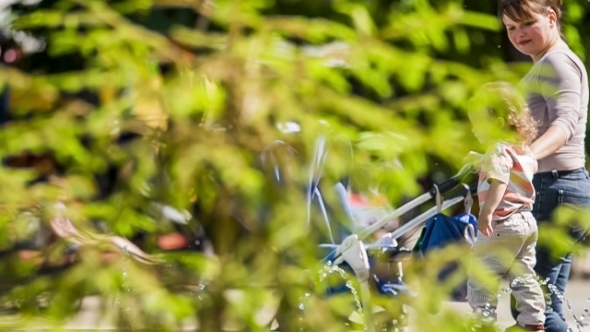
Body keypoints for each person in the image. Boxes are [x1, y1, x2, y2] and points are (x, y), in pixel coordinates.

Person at [498, 1, 590, 331]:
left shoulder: (557, 63)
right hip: (562, 187)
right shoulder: (547, 63)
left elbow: (564, 125)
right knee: (546, 299)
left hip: (556, 189)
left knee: (532, 303)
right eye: (511, 28)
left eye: (526, 23)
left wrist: (523, 159)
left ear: (551, 18)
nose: (518, 34)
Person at [466, 82, 545, 332]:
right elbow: (511, 173)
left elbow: (500, 180)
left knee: (482, 274)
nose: (473, 128)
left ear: (498, 123)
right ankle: (532, 320)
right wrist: (482, 162)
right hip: (526, 223)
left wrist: (487, 211)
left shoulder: (497, 149)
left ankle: (483, 321)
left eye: (477, 122)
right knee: (523, 274)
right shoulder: (523, 151)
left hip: (502, 221)